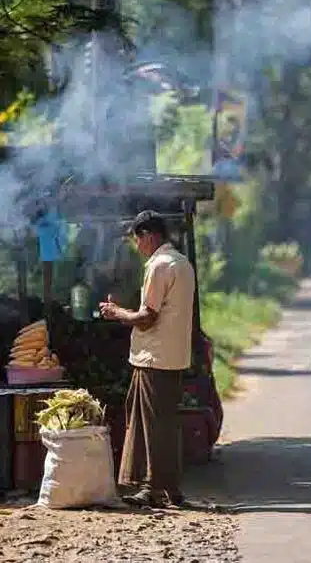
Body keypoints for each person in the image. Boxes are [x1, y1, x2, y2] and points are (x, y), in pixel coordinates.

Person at [99, 210, 196, 508]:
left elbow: (146, 318)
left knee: (151, 423)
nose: (137, 246)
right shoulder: (182, 263)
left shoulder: (159, 266)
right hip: (173, 356)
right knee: (165, 422)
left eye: (137, 239)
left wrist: (116, 313)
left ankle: (152, 487)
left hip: (153, 357)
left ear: (149, 236)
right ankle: (171, 488)